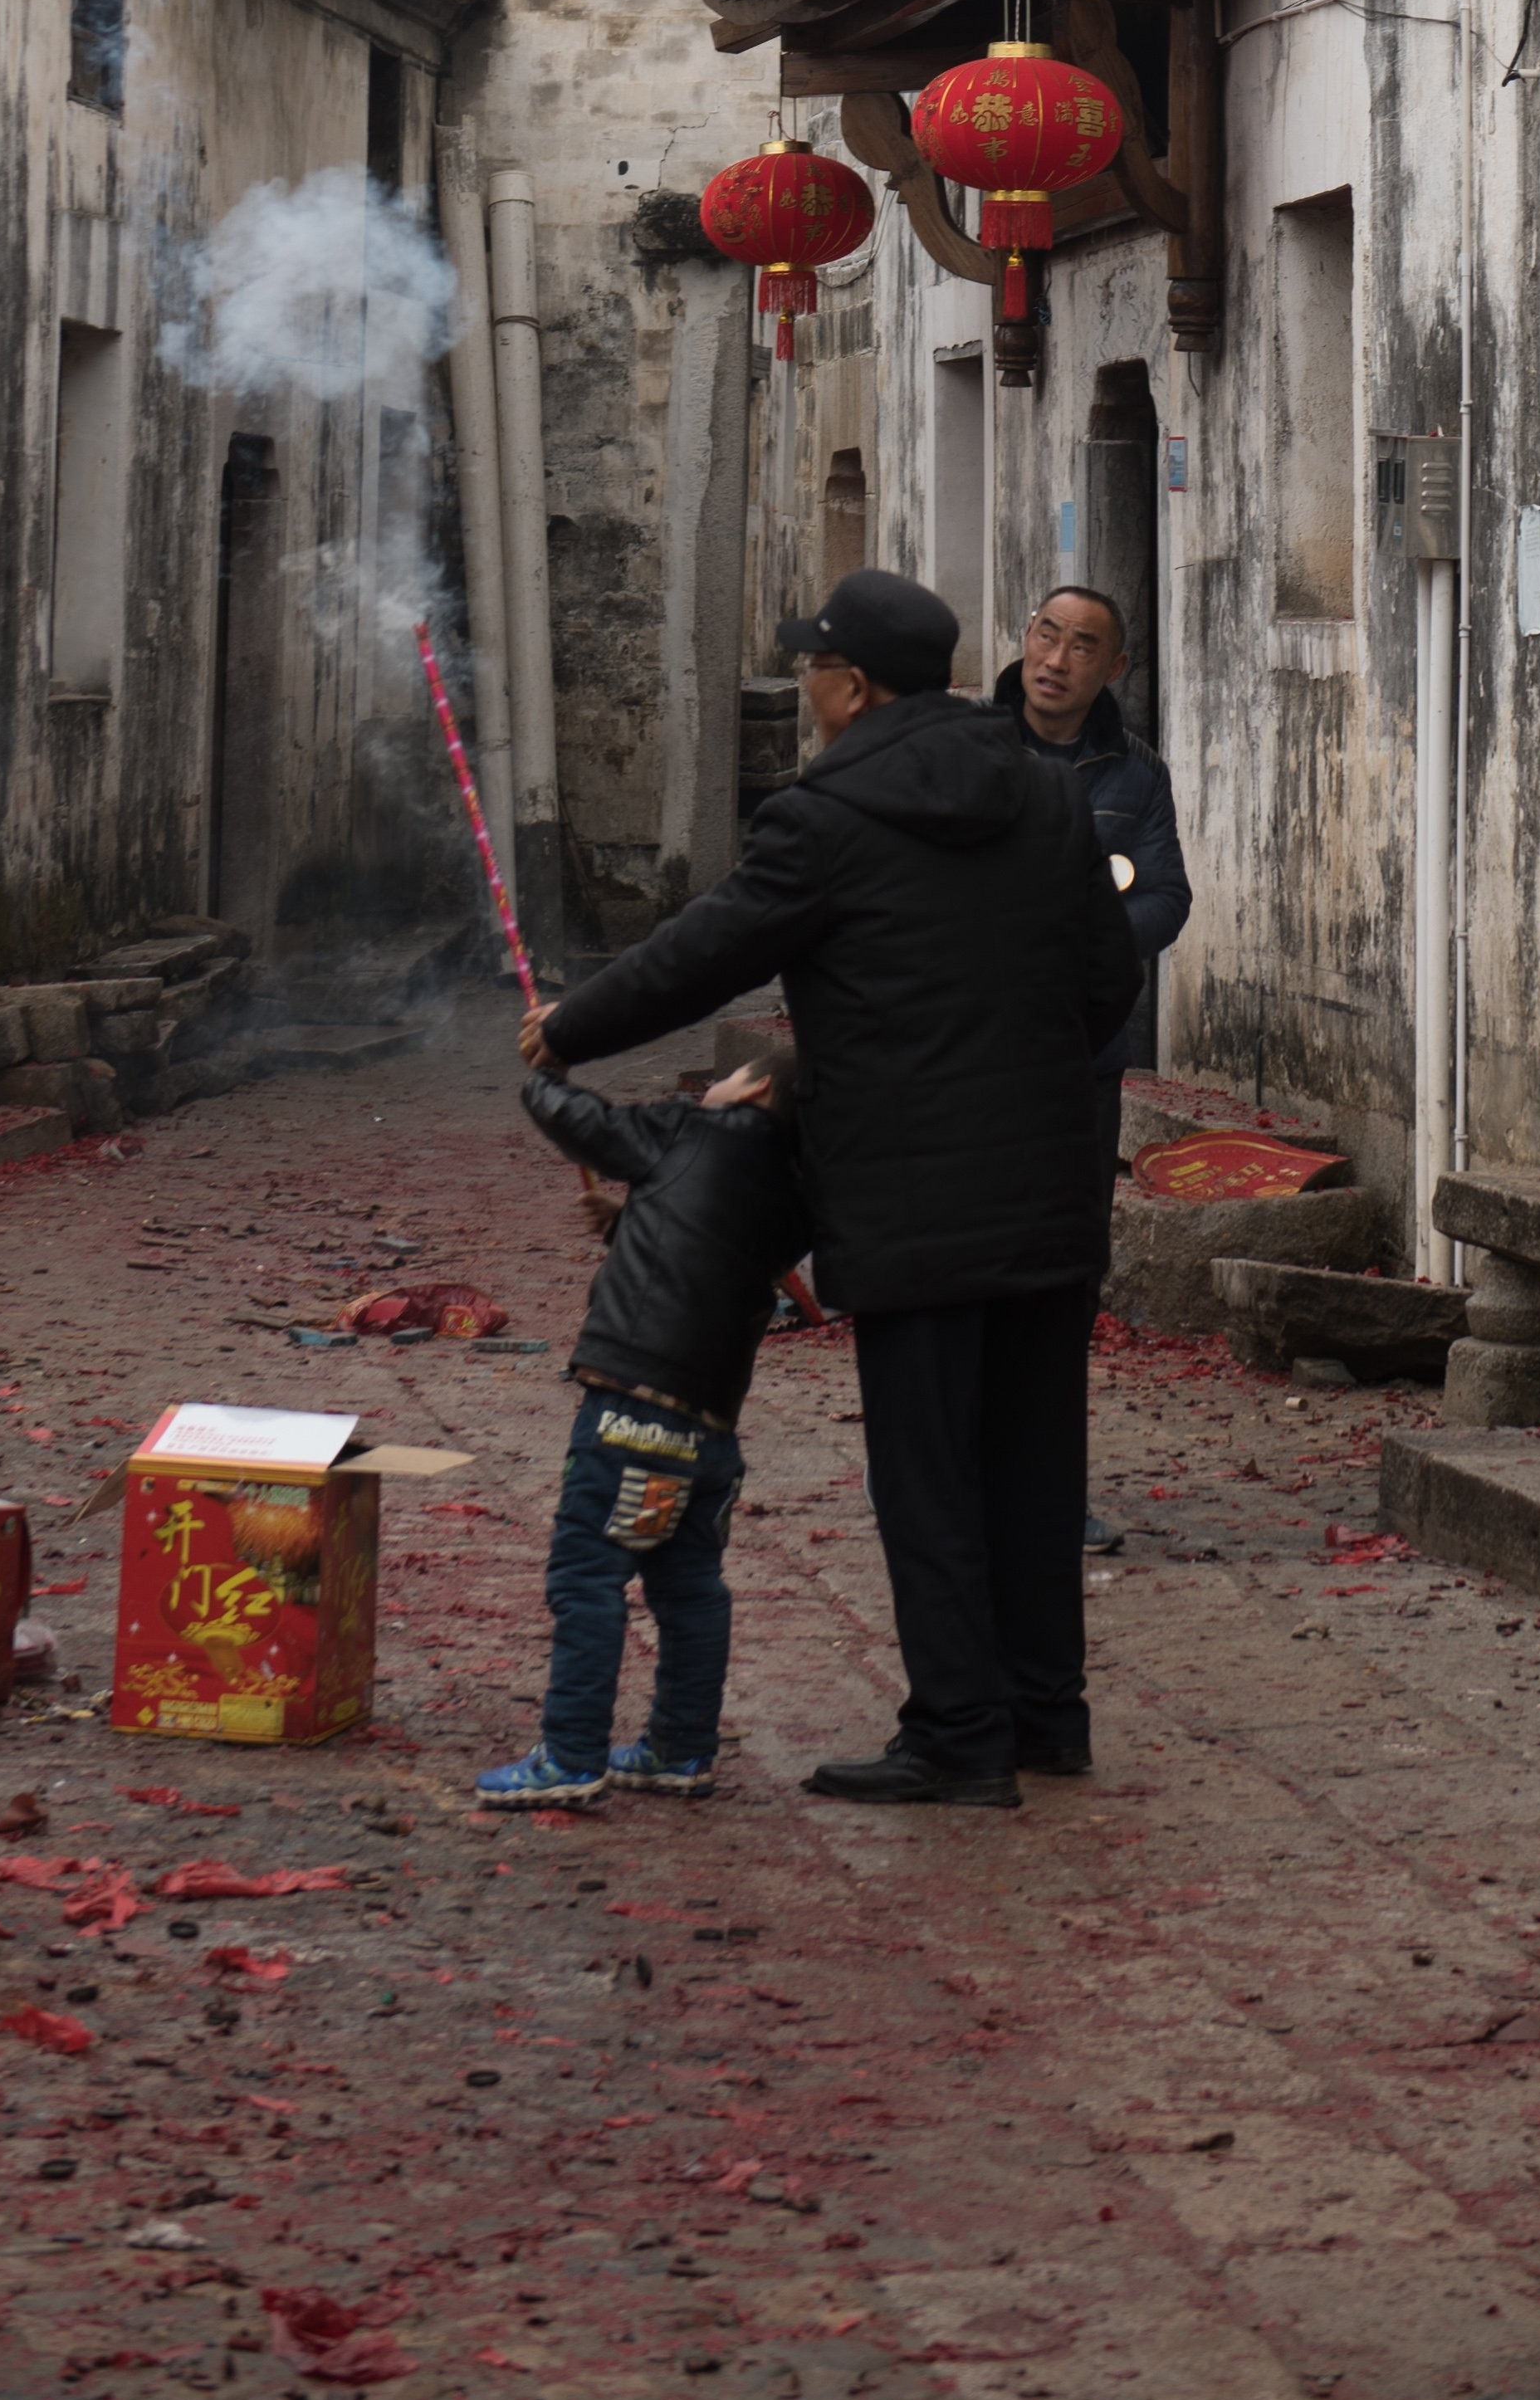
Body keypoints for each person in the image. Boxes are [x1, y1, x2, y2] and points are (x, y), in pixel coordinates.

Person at [522, 567, 1137, 1809]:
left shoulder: (824, 817)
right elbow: (1104, 985)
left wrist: (567, 1028)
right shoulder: (1048, 794)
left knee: (928, 1474)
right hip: (1045, 1180)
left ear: (852, 688)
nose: (805, 684)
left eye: (813, 667)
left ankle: (961, 1731)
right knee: (1032, 1461)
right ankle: (1043, 1714)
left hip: (913, 1198)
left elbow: (706, 950)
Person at [476, 1055, 809, 1814]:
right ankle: (679, 1747)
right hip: (710, 1426)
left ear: (755, 1088)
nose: (712, 1085)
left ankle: (571, 1754)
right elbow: (710, 1248)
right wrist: (632, 1222)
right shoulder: (796, 1191)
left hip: (632, 1413)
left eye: (726, 1077)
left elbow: (582, 1123)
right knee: (690, 1587)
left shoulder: (692, 1126)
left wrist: (544, 1068)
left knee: (586, 1576)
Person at [995, 584, 1190, 1552]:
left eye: (1082, 646)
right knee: (970, 1270)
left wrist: (1082, 937)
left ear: (1113, 668)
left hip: (1081, 1063)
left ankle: (1051, 1492)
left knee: (1065, 1278)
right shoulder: (967, 752)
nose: (1055, 658)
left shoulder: (1133, 774)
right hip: (971, 1064)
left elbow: (1165, 899)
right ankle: (942, 1463)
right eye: (1045, 634)